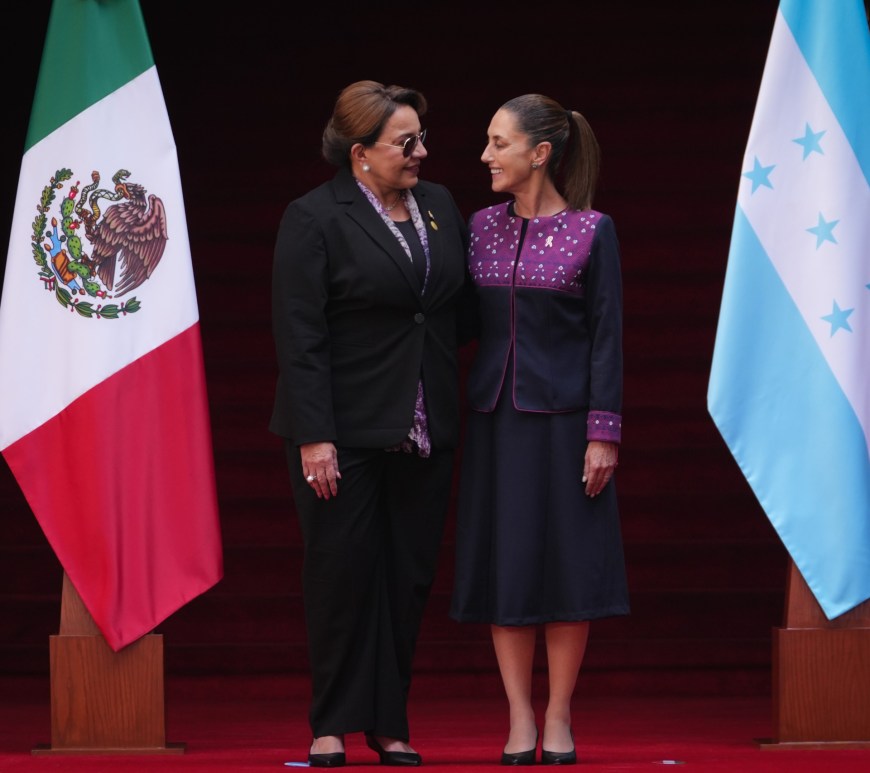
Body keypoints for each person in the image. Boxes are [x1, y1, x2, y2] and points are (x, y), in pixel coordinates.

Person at [270, 80, 471, 768]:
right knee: (340, 574)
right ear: (361, 153)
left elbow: (452, 310)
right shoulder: (313, 217)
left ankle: (389, 721)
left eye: (422, 137)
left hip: (423, 425)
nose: (422, 151)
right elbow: (300, 335)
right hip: (343, 432)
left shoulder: (440, 205)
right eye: (405, 142)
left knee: (407, 577)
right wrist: (312, 433)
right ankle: (332, 721)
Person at [450, 94, 629, 766]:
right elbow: (458, 321)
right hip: (495, 424)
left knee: (567, 570)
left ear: (540, 153)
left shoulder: (592, 230)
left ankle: (558, 714)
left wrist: (603, 430)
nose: (486, 155)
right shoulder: (478, 227)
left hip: (565, 427)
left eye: (498, 143)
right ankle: (519, 715)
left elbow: (607, 336)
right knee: (508, 567)